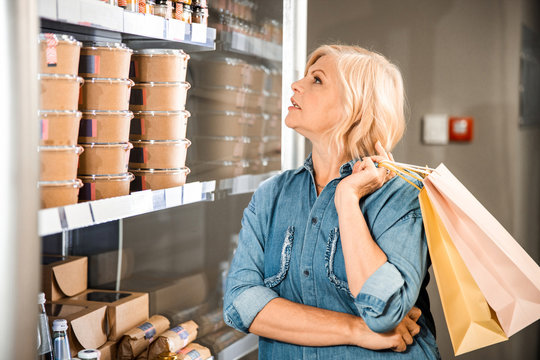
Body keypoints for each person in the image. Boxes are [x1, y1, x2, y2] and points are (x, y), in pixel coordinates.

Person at [223, 44, 440, 359]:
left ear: (356, 107)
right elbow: (240, 304)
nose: (296, 85)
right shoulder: (271, 195)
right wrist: (354, 329)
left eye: (317, 80)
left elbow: (382, 312)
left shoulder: (404, 197)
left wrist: (348, 199)